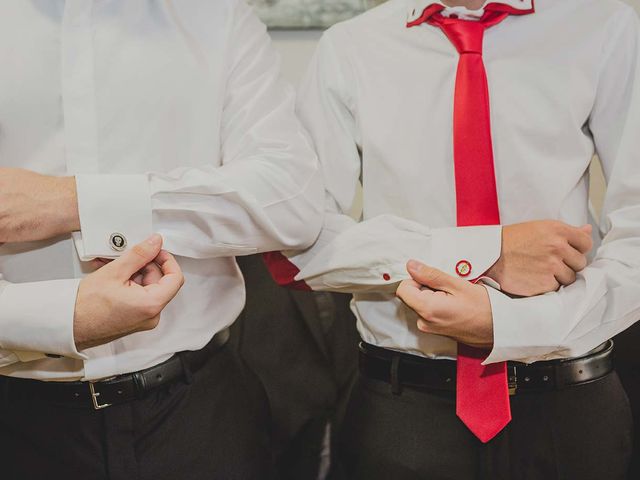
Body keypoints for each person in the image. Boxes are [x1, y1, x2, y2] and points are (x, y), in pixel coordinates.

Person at [264, 0, 640, 478]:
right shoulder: (350, 47)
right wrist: (485, 255)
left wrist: (520, 324)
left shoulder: (605, 28)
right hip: (403, 415)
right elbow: (297, 244)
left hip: (568, 409)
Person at [0, 1, 323, 478]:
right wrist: (58, 320)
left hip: (201, 414)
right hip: (17, 421)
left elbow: (291, 203)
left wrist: (73, 202)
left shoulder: (220, 18)